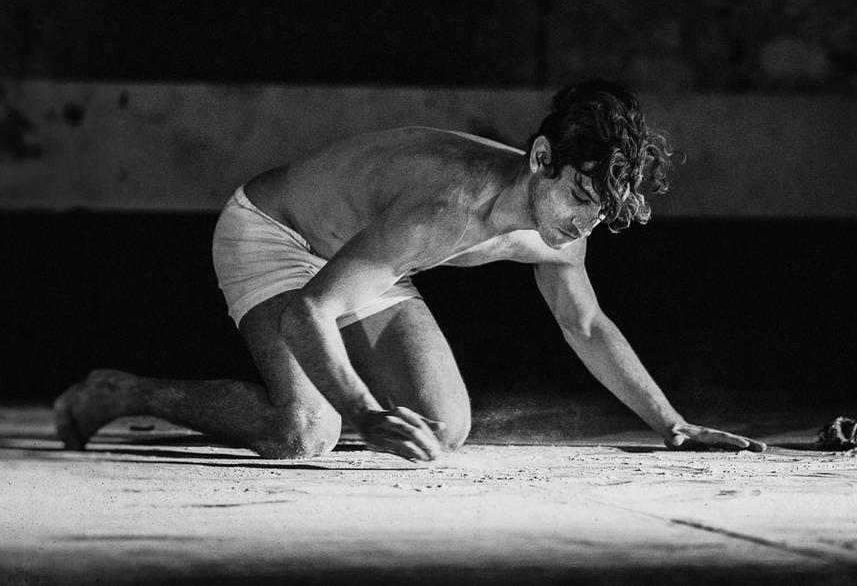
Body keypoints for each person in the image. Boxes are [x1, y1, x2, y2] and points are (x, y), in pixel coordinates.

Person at [54, 80, 766, 461]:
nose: (586, 223)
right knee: (304, 434)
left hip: (367, 252)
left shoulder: (564, 230)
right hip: (274, 233)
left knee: (440, 428)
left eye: (602, 211)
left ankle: (319, 404)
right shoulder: (448, 203)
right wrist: (362, 413)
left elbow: (584, 323)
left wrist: (672, 423)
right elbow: (308, 311)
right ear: (543, 159)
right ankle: (124, 390)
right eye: (582, 197)